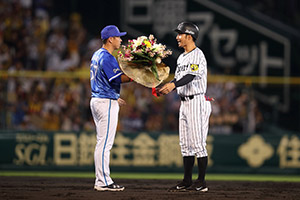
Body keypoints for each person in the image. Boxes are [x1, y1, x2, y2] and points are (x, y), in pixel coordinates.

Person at [159, 22, 212, 192]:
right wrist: (167, 87)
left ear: (189, 36)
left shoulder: (198, 54)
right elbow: (179, 79)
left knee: (198, 143)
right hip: (184, 102)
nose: (177, 37)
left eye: (180, 34)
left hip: (196, 101)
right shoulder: (181, 57)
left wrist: (172, 85)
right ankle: (187, 180)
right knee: (185, 144)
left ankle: (201, 182)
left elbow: (190, 76)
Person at [90, 25, 132, 191]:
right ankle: (102, 181)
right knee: (104, 144)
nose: (120, 40)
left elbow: (103, 81)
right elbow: (117, 79)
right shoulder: (107, 57)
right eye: (118, 37)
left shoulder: (97, 54)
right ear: (110, 39)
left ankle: (102, 179)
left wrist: (114, 97)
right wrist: (137, 76)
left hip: (99, 99)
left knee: (102, 142)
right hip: (104, 102)